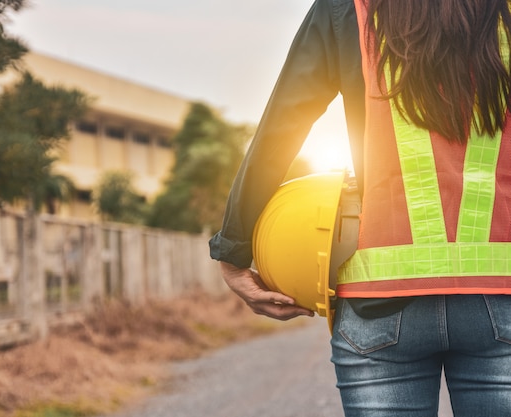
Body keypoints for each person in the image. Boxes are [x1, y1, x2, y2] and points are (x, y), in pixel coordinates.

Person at [208, 0, 511, 415]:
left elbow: (283, 125)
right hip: (503, 293)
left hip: (378, 297)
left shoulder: (348, 8)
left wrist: (234, 250)